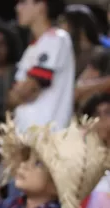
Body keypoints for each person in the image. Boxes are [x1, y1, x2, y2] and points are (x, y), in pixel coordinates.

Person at [9, 0, 73, 132]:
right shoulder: (33, 47)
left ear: (41, 6)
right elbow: (10, 99)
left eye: (23, 3)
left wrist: (19, 91)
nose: (17, 8)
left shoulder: (56, 38)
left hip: (48, 139)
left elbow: (29, 90)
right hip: (27, 137)